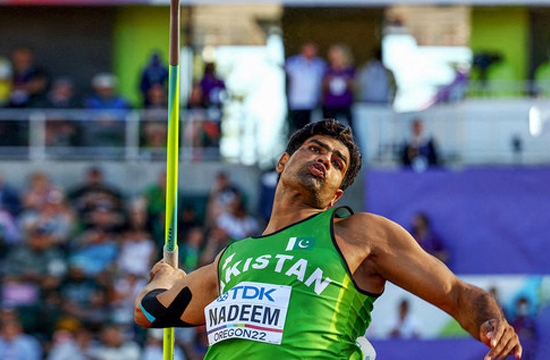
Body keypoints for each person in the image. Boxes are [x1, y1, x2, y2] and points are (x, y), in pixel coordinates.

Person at [135, 119, 522, 360]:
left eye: (338, 162)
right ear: (283, 162)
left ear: (337, 195)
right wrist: (165, 276)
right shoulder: (232, 258)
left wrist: (492, 323)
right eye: (315, 149)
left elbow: (455, 293)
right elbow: (151, 311)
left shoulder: (359, 235)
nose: (325, 159)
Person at [284, 42, 327, 131]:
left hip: (313, 102)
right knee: (298, 128)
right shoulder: (293, 63)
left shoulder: (319, 64)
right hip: (297, 102)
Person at [322, 44, 356, 127]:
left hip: (345, 103)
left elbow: (354, 88)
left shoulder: (349, 69)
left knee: (348, 127)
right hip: (330, 104)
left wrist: (346, 79)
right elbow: (323, 88)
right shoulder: (328, 69)